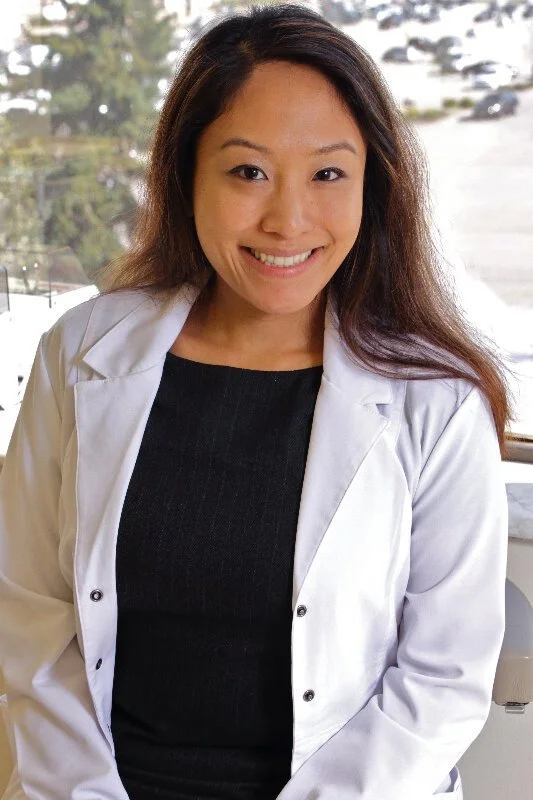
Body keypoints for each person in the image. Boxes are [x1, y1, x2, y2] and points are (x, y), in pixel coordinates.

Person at [0, 4, 510, 799]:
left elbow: (440, 682)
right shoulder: (81, 355)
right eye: (247, 171)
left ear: (372, 184)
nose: (288, 219)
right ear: (185, 175)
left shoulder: (435, 402)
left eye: (328, 174)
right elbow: (29, 617)